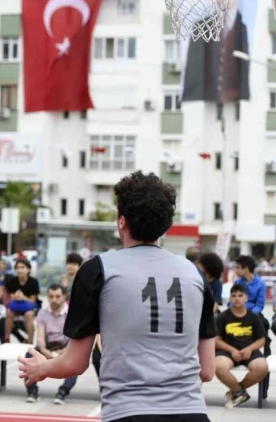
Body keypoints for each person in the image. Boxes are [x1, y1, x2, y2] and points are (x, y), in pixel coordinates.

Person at [18, 171, 216, 422]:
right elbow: (207, 371)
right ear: (165, 224)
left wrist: (42, 368)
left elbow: (75, 363)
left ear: (122, 221)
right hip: (191, 412)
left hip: (128, 412)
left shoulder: (98, 270)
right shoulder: (195, 275)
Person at [215, 283, 268, 408]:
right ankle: (240, 392)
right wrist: (232, 350)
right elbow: (216, 340)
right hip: (227, 351)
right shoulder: (223, 317)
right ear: (230, 298)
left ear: (246, 298)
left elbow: (262, 340)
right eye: (233, 296)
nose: (237, 298)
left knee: (262, 367)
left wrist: (249, 349)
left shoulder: (254, 317)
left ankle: (237, 390)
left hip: (249, 350)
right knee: (218, 366)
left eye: (240, 295)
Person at [23, 284, 77, 404]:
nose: (54, 300)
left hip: (66, 347)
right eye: (51, 296)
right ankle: (32, 391)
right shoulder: (43, 312)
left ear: (64, 297)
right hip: (48, 346)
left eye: (57, 296)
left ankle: (63, 391)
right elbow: (40, 337)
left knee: (75, 358)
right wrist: (45, 351)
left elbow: (74, 339)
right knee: (29, 355)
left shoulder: (72, 313)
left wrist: (63, 352)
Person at [4, 259, 40, 344]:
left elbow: (33, 300)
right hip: (16, 306)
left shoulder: (33, 282)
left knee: (28, 314)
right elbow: (10, 298)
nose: (20, 270)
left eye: (22, 267)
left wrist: (23, 297)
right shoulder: (12, 281)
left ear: (28, 269)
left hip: (29, 306)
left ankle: (30, 341)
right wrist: (16, 296)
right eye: (18, 267)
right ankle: (6, 339)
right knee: (9, 313)